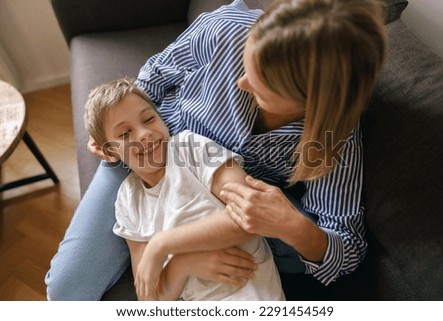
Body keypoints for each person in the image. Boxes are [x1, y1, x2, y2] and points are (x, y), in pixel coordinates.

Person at [46, 0, 387, 300]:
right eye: (246, 61)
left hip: (224, 206)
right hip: (151, 159)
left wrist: (294, 228)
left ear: (310, 99)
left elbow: (347, 246)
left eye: (260, 81)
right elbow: (154, 75)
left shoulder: (331, 140)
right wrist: (119, 129)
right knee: (66, 290)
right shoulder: (225, 29)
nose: (241, 82)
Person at [83, 77, 285, 300]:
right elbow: (149, 298)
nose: (143, 134)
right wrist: (183, 264)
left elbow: (254, 214)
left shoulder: (190, 149)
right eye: (124, 134)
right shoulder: (128, 200)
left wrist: (161, 245)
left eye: (149, 119)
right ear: (110, 153)